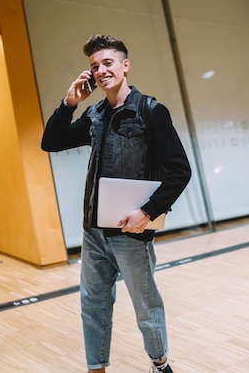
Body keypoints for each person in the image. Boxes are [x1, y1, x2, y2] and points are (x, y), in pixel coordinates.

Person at [41, 34, 191, 373]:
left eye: (107, 62)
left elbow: (180, 170)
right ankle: (97, 368)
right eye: (94, 66)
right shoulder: (95, 115)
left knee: (145, 306)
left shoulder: (151, 111)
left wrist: (148, 212)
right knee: (92, 305)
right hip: (94, 234)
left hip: (130, 234)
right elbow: (51, 142)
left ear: (125, 65)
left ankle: (160, 364)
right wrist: (68, 105)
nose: (100, 70)